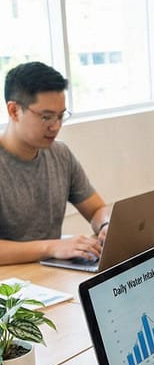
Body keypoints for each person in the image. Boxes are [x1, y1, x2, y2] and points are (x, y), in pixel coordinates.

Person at [0, 62, 110, 266]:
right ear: (14, 111)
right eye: (46, 117)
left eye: (61, 116)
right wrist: (53, 246)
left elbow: (96, 210)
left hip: (51, 277)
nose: (56, 126)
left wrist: (106, 224)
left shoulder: (61, 154)